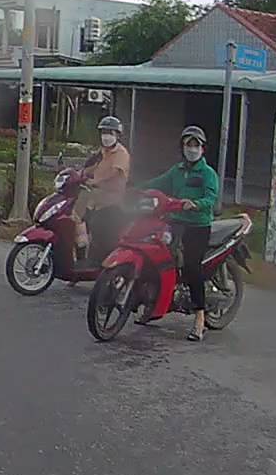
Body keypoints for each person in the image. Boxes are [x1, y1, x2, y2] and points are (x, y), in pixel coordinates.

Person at [135, 125, 218, 341]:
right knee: (155, 256)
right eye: (188, 144)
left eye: (196, 145)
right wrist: (137, 189)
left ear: (202, 148)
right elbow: (158, 183)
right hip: (175, 221)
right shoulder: (177, 170)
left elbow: (211, 198)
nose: (192, 148)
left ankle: (200, 318)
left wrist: (196, 204)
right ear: (182, 147)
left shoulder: (208, 173)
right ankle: (152, 304)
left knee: (192, 267)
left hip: (198, 225)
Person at [71, 115, 131, 254]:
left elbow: (114, 172)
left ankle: (97, 261)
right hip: (95, 201)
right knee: (77, 221)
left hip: (111, 204)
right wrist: (76, 175)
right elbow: (91, 167)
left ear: (117, 135)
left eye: (110, 133)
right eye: (104, 132)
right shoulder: (102, 151)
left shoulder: (121, 153)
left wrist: (94, 182)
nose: (106, 136)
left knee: (99, 234)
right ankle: (81, 257)